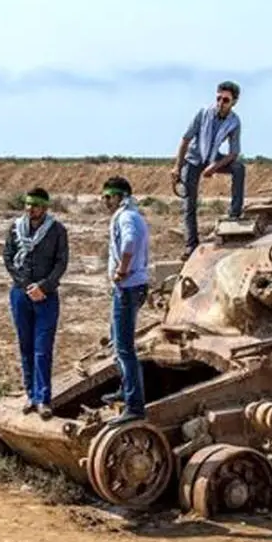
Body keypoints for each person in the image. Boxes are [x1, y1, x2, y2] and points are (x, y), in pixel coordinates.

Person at [1, 187, 69, 420]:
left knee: (42, 350)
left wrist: (43, 287)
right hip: (21, 294)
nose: (31, 209)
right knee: (26, 347)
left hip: (46, 297)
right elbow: (8, 258)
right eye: (28, 204)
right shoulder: (15, 228)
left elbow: (61, 262)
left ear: (45, 207)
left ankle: (43, 399)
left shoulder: (57, 230)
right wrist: (26, 284)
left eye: (36, 205)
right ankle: (30, 395)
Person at [172, 80, 245, 259]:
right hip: (193, 160)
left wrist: (214, 167)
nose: (221, 103)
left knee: (238, 168)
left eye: (226, 100)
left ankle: (234, 215)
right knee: (189, 204)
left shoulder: (234, 122)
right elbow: (185, 139)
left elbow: (234, 153)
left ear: (234, 102)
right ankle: (191, 244)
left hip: (213, 158)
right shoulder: (203, 113)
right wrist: (177, 167)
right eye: (219, 98)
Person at [98, 176, 150, 425]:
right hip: (129, 287)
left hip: (127, 288)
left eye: (108, 196)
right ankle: (125, 387)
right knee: (117, 341)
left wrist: (122, 269)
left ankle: (134, 405)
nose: (104, 201)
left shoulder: (126, 217)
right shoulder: (131, 215)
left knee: (125, 348)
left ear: (120, 197)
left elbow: (129, 242)